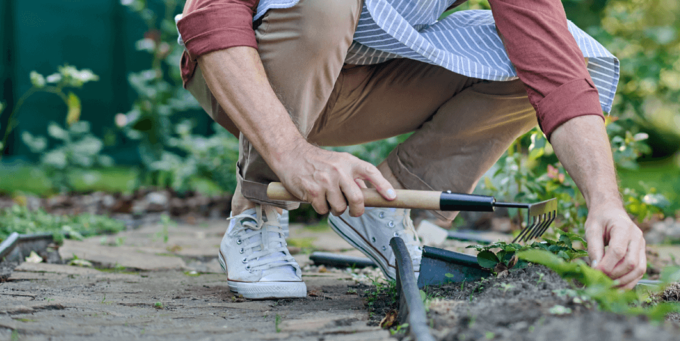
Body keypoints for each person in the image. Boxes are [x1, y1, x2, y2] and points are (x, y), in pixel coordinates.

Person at [176, 0, 647, 299]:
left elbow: (555, 70)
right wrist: (290, 153)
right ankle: (257, 212)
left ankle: (383, 203)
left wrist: (606, 203)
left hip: (363, 81)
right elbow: (212, 17)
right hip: (248, 73)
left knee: (559, 54)